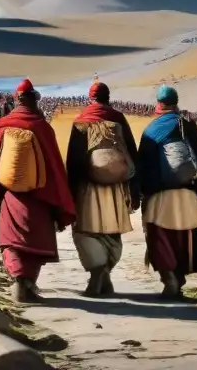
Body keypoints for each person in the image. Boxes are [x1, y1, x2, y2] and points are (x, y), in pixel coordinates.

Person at [0, 78, 75, 303]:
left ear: (16, 101)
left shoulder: (2, 126)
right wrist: (58, 199)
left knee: (12, 241)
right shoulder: (41, 127)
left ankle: (18, 282)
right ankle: (27, 284)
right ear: (33, 100)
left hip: (10, 197)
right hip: (39, 198)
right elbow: (54, 166)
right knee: (35, 242)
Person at [136, 85, 197, 299]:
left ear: (158, 104)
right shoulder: (187, 126)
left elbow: (142, 165)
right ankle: (179, 281)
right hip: (188, 193)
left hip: (160, 196)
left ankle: (168, 278)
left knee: (160, 238)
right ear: (176, 102)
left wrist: (140, 193)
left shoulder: (151, 129)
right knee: (184, 239)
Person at [65, 80, 140, 297]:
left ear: (90, 98)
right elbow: (131, 155)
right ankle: (105, 275)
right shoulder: (118, 119)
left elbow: (74, 161)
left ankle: (97, 273)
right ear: (108, 98)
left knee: (86, 231)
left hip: (87, 189)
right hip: (116, 189)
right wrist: (135, 190)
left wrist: (71, 193)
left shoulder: (80, 121)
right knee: (112, 231)